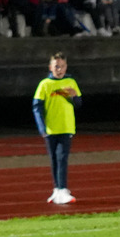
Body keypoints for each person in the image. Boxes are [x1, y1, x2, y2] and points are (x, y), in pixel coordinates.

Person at [33, 52, 82, 205]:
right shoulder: (44, 84)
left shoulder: (71, 82)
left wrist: (74, 97)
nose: (59, 69)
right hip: (50, 129)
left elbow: (79, 104)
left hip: (66, 127)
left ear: (66, 67)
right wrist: (42, 128)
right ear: (50, 67)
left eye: (62, 66)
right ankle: (57, 189)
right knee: (54, 159)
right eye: (56, 67)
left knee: (62, 158)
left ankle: (63, 189)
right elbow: (37, 107)